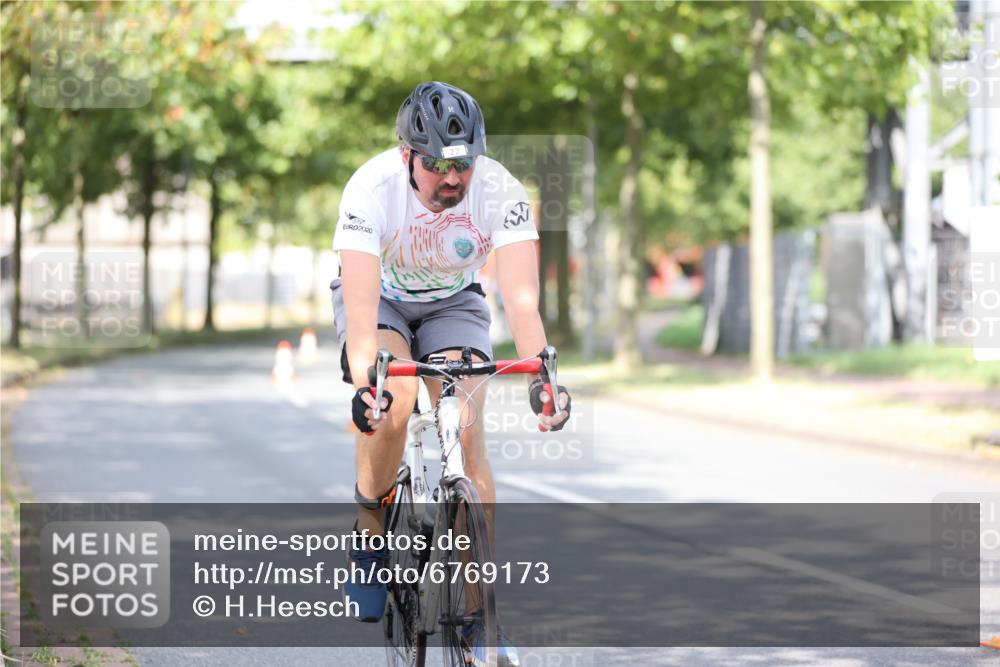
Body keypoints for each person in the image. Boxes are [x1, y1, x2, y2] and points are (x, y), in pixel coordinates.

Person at [330, 81, 571, 666]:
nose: (451, 180)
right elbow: (361, 317)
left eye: (461, 166)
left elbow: (520, 300)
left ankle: (478, 619)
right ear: (407, 155)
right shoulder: (371, 188)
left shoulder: (500, 191)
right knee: (399, 392)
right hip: (380, 301)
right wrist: (370, 384)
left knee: (465, 424)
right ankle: (369, 525)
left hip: (453, 302)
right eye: (436, 165)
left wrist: (544, 377)